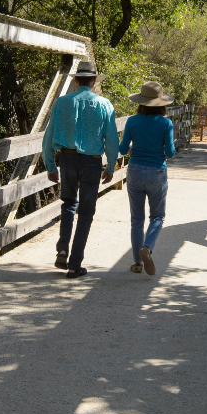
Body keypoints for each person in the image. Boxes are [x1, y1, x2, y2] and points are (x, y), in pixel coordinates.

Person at [42, 61, 119, 279]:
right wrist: (111, 166)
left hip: (66, 159)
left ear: (76, 80)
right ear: (94, 81)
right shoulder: (105, 104)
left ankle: (63, 248)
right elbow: (111, 140)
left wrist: (50, 165)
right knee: (86, 212)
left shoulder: (62, 103)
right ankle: (75, 264)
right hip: (92, 162)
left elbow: (48, 137)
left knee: (68, 204)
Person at [119, 81, 175, 276]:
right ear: (162, 103)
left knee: (136, 219)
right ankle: (148, 247)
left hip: (134, 171)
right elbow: (170, 152)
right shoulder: (166, 123)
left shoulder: (132, 121)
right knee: (157, 216)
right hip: (156, 173)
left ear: (140, 102)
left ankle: (136, 262)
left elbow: (122, 149)